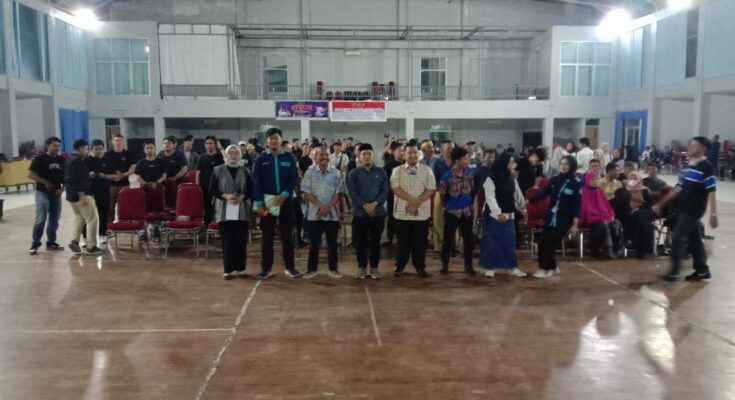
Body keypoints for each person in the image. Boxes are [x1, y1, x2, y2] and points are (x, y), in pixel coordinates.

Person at [656, 136, 718, 282]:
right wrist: (661, 203)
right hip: (683, 208)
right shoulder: (688, 167)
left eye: (694, 145)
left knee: (677, 237)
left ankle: (674, 272)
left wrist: (713, 214)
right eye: (690, 145)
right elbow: (678, 188)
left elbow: (712, 191)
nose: (690, 148)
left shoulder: (707, 167)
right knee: (694, 239)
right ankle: (702, 270)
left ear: (703, 149)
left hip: (693, 210)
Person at [252, 127, 302, 279]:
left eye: (276, 138)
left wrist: (285, 194)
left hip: (286, 202)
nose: (274, 140)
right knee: (267, 238)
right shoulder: (261, 159)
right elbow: (256, 181)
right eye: (271, 138)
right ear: (267, 141)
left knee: (287, 237)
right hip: (268, 204)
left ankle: (290, 267)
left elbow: (294, 178)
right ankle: (266, 269)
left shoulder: (289, 157)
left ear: (281, 140)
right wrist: (259, 203)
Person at [529, 155, 582, 278]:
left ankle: (546, 269)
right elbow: (543, 193)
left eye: (566, 164)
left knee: (549, 243)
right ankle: (551, 266)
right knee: (543, 242)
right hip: (551, 216)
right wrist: (529, 200)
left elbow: (577, 205)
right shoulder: (554, 179)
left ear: (572, 166)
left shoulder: (576, 183)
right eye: (561, 163)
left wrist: (574, 225)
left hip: (565, 219)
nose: (563, 166)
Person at [390, 142, 436, 278]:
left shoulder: (427, 170)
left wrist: (417, 203)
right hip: (402, 214)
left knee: (420, 242)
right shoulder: (397, 170)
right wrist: (412, 200)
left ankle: (420, 267)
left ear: (419, 154)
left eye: (415, 152)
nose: (412, 155)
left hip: (421, 214)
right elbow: (395, 189)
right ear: (404, 154)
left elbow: (431, 189)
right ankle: (399, 266)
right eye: (409, 152)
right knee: (402, 242)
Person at [480, 152, 528, 278]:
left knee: (509, 242)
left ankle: (512, 267)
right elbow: (490, 198)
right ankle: (490, 268)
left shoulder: (512, 178)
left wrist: (523, 209)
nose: (513, 164)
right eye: (510, 162)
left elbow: (517, 195)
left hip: (509, 215)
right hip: (493, 216)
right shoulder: (490, 179)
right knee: (492, 242)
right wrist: (498, 213)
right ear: (503, 163)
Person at [347, 143, 390, 279]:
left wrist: (375, 204)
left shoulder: (381, 172)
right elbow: (352, 192)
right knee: (361, 242)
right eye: (364, 154)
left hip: (377, 213)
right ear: (359, 157)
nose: (367, 156)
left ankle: (374, 268)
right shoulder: (354, 173)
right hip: (360, 214)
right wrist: (365, 206)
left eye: (369, 154)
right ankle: (361, 268)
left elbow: (385, 191)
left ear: (373, 156)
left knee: (376, 241)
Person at [210, 145, 253, 280]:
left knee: (241, 241)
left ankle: (241, 269)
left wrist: (243, 197)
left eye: (236, 153)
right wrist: (225, 195)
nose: (233, 156)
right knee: (227, 242)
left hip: (242, 210)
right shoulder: (218, 170)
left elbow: (251, 189)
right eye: (230, 153)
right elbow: (211, 189)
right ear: (226, 155)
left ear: (240, 155)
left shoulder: (245, 170)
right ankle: (228, 270)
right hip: (224, 210)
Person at [302, 148, 344, 279]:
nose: (324, 157)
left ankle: (333, 269)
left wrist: (328, 207)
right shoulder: (309, 173)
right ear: (315, 157)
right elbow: (307, 193)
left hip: (332, 214)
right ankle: (311, 269)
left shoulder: (336, 173)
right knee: (314, 244)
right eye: (321, 155)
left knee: (332, 243)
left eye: (326, 155)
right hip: (314, 214)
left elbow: (338, 192)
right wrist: (321, 206)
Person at [438, 147, 476, 275]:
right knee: (448, 240)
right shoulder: (447, 177)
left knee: (468, 240)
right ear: (457, 160)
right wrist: (447, 207)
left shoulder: (470, 173)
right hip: (452, 212)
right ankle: (444, 264)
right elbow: (442, 195)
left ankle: (468, 265)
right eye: (465, 158)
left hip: (467, 211)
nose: (467, 160)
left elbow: (473, 189)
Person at [65, 139, 103, 256]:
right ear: (81, 148)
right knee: (92, 220)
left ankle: (74, 240)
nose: (87, 151)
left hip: (71, 195)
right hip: (82, 195)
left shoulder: (68, 160)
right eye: (86, 149)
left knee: (80, 218)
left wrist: (87, 175)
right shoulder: (78, 162)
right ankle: (91, 246)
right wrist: (81, 195)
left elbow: (70, 178)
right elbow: (78, 180)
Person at [28, 137, 66, 254]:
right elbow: (31, 174)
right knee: (41, 218)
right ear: (48, 146)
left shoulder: (62, 160)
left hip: (56, 193)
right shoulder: (40, 159)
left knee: (54, 219)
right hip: (42, 192)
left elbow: (67, 176)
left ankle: (51, 242)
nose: (56, 148)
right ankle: (35, 243)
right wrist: (45, 182)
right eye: (54, 145)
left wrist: (62, 188)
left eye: (58, 146)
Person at [580, 159, 618, 259]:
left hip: (600, 216)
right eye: (592, 179)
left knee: (616, 223)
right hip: (588, 218)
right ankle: (598, 249)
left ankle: (614, 249)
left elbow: (606, 205)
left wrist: (610, 215)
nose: (595, 181)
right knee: (602, 224)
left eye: (596, 179)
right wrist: (600, 216)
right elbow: (585, 208)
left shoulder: (599, 190)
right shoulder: (584, 190)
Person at [84, 140, 116, 245]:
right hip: (88, 191)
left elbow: (115, 176)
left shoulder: (108, 161)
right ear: (91, 149)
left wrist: (105, 176)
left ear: (103, 149)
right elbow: (79, 176)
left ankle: (102, 234)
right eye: (96, 149)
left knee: (103, 213)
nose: (98, 151)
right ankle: (85, 237)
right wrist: (88, 174)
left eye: (100, 149)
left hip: (103, 190)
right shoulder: (86, 161)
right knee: (87, 215)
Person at [135, 140, 167, 241]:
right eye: (147, 148)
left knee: (158, 210)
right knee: (143, 210)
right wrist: (146, 183)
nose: (149, 150)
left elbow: (164, 175)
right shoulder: (140, 162)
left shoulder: (161, 162)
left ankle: (156, 230)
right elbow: (138, 177)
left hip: (157, 189)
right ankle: (142, 231)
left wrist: (156, 183)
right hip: (145, 189)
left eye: (151, 148)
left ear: (155, 149)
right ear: (144, 150)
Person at [105, 134, 136, 224]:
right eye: (116, 140)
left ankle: (122, 224)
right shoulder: (107, 155)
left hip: (124, 184)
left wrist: (122, 175)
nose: (118, 142)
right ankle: (109, 226)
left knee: (123, 207)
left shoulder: (128, 154)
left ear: (123, 142)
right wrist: (114, 176)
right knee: (110, 208)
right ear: (113, 142)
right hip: (110, 185)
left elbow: (132, 169)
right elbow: (104, 169)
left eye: (120, 140)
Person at [431, 140, 454, 252]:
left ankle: (453, 245)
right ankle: (439, 246)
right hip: (440, 193)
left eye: (452, 148)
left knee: (454, 221)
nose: (450, 150)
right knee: (439, 220)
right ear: (442, 149)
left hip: (454, 195)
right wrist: (442, 190)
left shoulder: (456, 162)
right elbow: (434, 180)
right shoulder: (437, 163)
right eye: (448, 148)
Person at [196, 136, 224, 227]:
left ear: (215, 145)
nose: (209, 145)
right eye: (207, 143)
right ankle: (207, 227)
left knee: (218, 207)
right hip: (205, 186)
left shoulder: (220, 157)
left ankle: (219, 226)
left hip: (218, 187)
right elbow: (198, 173)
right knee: (207, 208)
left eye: (211, 143)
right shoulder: (201, 157)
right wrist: (197, 186)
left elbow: (227, 160)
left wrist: (221, 148)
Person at [383, 142, 405, 248]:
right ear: (393, 152)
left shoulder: (408, 164)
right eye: (400, 151)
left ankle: (402, 238)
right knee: (392, 217)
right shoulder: (388, 166)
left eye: (403, 150)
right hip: (392, 196)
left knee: (404, 217)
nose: (402, 153)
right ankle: (390, 238)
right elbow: (385, 182)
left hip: (406, 196)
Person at [158, 135, 188, 203]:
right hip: (163, 181)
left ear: (174, 145)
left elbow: (184, 168)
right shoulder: (160, 154)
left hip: (177, 181)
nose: (166, 145)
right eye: (164, 143)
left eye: (168, 143)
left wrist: (174, 178)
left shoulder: (179, 154)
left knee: (176, 201)